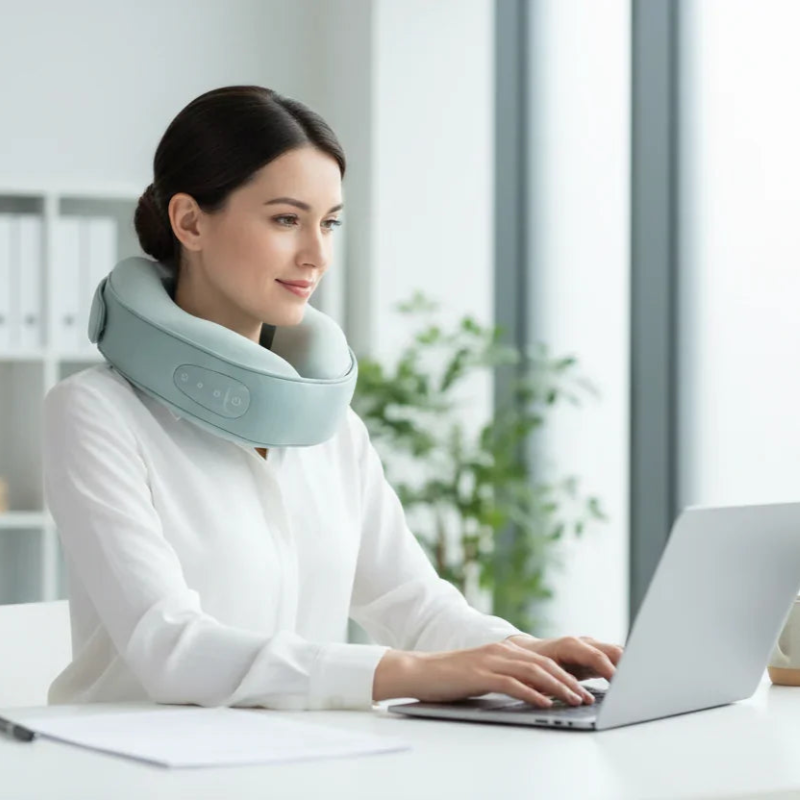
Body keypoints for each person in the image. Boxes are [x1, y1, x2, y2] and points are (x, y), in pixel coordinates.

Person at [43, 85, 623, 712]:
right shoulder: (95, 413)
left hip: (306, 755)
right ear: (189, 221)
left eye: (330, 223)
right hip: (129, 759)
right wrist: (407, 672)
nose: (317, 255)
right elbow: (172, 649)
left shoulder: (329, 427)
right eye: (286, 220)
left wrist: (528, 654)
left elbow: (413, 604)